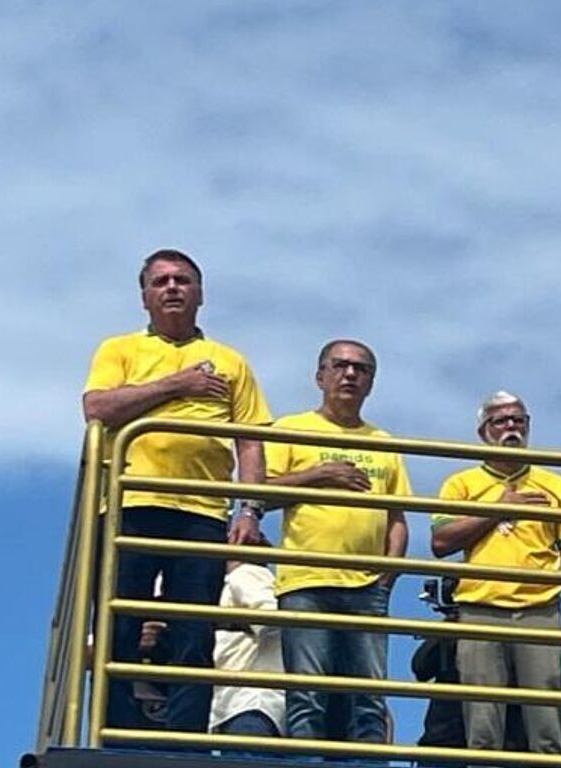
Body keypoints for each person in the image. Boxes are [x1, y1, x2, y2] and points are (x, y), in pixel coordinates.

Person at [84, 248, 273, 733]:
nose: (172, 288)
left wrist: (249, 511)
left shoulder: (232, 361)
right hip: (132, 503)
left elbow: (252, 442)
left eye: (183, 280)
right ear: (145, 296)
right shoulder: (119, 349)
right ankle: (119, 734)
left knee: (194, 630)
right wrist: (178, 384)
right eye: (161, 281)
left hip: (203, 511)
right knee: (121, 625)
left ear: (200, 293)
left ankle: (186, 737)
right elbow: (98, 408)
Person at [264, 339, 411, 744]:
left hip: (367, 587)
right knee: (307, 695)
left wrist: (388, 574)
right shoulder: (292, 429)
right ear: (320, 376)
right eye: (341, 365)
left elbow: (397, 518)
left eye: (361, 369)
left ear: (371, 383)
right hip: (306, 582)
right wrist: (319, 475)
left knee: (369, 697)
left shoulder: (384, 442)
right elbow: (260, 491)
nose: (350, 374)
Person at [432, 391, 561, 757]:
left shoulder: (555, 485)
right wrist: (499, 508)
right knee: (483, 724)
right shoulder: (461, 483)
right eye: (500, 421)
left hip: (540, 610)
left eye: (519, 420)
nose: (511, 427)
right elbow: (441, 542)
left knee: (549, 724)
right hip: (479, 608)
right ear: (484, 431)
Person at [209, 536, 284, 753]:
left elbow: (272, 621)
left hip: (249, 704)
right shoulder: (252, 581)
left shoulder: (246, 574)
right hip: (243, 706)